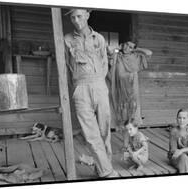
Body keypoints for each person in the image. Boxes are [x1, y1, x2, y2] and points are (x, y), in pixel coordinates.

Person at [64, 8, 118, 178]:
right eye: (72, 17)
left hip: (100, 85)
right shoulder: (66, 40)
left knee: (104, 132)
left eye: (79, 16)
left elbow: (104, 63)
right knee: (90, 134)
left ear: (87, 15)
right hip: (80, 88)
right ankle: (108, 172)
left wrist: (99, 82)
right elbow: (66, 67)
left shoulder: (99, 39)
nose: (76, 20)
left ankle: (101, 168)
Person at [108, 40, 152, 132]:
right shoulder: (117, 56)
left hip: (132, 92)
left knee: (133, 118)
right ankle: (125, 143)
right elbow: (108, 50)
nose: (127, 48)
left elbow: (149, 53)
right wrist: (118, 48)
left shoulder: (136, 57)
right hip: (120, 91)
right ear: (123, 44)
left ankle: (133, 141)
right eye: (126, 45)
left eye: (131, 47)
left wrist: (136, 49)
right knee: (122, 119)